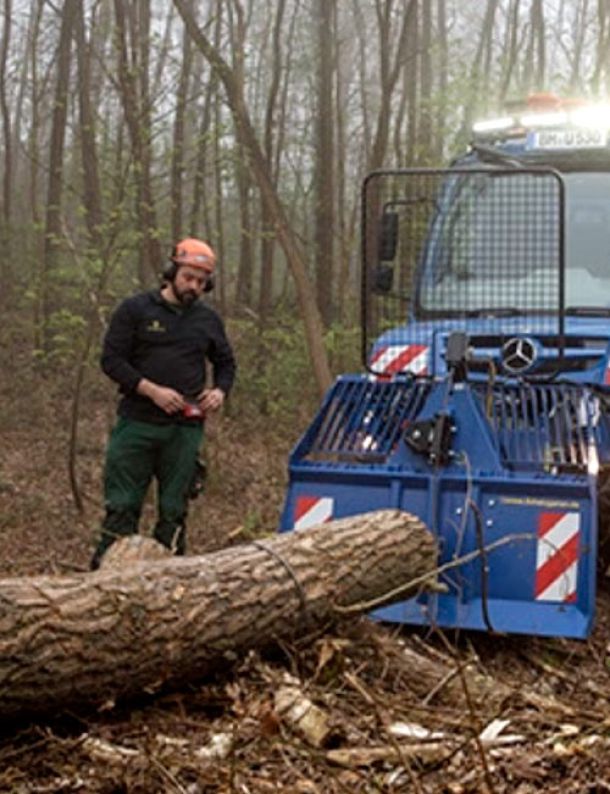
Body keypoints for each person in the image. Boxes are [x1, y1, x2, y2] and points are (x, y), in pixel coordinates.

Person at [90, 237, 236, 569]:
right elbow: (111, 360)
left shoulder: (207, 320)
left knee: (174, 509)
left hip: (185, 430)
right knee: (123, 506)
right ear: (171, 272)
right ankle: (105, 577)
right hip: (137, 423)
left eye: (201, 281)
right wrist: (150, 389)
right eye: (188, 277)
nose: (194, 286)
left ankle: (169, 578)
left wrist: (220, 391)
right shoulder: (135, 310)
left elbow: (226, 363)